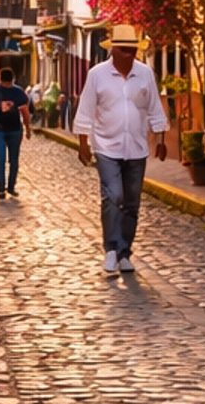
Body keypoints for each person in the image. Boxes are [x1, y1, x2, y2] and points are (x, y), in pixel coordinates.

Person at [72, 24, 168, 277]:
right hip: (106, 145)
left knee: (132, 202)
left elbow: (154, 106)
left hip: (137, 147)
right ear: (113, 50)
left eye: (132, 50)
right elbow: (85, 109)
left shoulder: (145, 74)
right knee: (113, 196)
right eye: (124, 49)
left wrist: (160, 138)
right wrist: (83, 143)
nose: (129, 54)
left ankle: (125, 252)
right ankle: (111, 248)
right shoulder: (97, 75)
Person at [0, 59, 31, 199]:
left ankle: (1, 188)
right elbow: (25, 112)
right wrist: (28, 128)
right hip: (15, 129)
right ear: (13, 78)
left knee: (0, 159)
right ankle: (11, 186)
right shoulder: (19, 92)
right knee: (14, 159)